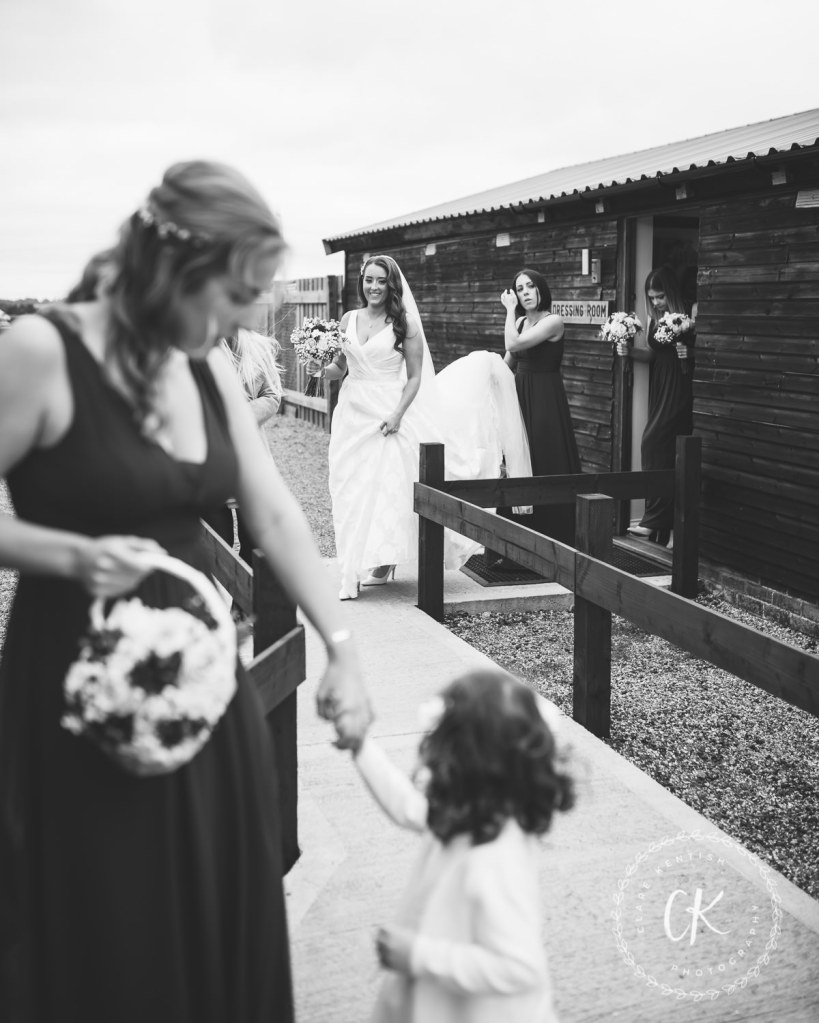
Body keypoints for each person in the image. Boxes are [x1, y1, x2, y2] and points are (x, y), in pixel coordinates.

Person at [0, 160, 371, 1023]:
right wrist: (65, 553)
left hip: (203, 680)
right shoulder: (42, 352)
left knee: (214, 899)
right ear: (177, 267)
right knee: (110, 918)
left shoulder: (204, 368)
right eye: (234, 295)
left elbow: (273, 514)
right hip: (77, 683)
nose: (242, 319)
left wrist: (343, 648)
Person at [351, 667, 574, 1022]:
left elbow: (520, 967)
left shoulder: (495, 858)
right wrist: (360, 747)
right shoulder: (468, 815)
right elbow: (406, 806)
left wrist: (418, 955)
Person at [308, 255, 531, 601]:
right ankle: (353, 563)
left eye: (381, 281)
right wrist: (319, 370)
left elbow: (414, 378)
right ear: (361, 282)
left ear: (391, 285)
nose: (374, 287)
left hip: (389, 414)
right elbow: (341, 367)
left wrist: (398, 414)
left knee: (383, 488)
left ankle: (373, 564)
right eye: (369, 280)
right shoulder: (349, 319)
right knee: (349, 487)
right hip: (352, 414)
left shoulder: (405, 324)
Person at [491, 269, 581, 569]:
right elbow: (508, 362)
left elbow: (514, 345)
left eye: (530, 286)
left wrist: (509, 310)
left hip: (544, 398)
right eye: (519, 289)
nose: (525, 292)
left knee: (542, 459)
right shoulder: (519, 323)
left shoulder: (553, 321)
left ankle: (553, 544)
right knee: (516, 464)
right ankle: (515, 548)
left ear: (541, 289)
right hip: (519, 397)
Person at [616, 265, 695, 546]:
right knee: (667, 453)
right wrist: (629, 351)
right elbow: (652, 354)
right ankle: (667, 525)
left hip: (680, 385)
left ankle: (653, 520)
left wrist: (690, 352)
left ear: (670, 292)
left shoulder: (690, 312)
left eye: (660, 296)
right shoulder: (655, 317)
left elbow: (708, 349)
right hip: (660, 384)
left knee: (653, 442)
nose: (656, 302)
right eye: (651, 298)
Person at [204, 328, 282, 565]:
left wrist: (235, 418)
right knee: (215, 549)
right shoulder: (193, 347)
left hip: (251, 458)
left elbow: (272, 396)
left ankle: (251, 590)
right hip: (210, 462)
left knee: (257, 549)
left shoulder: (258, 348)